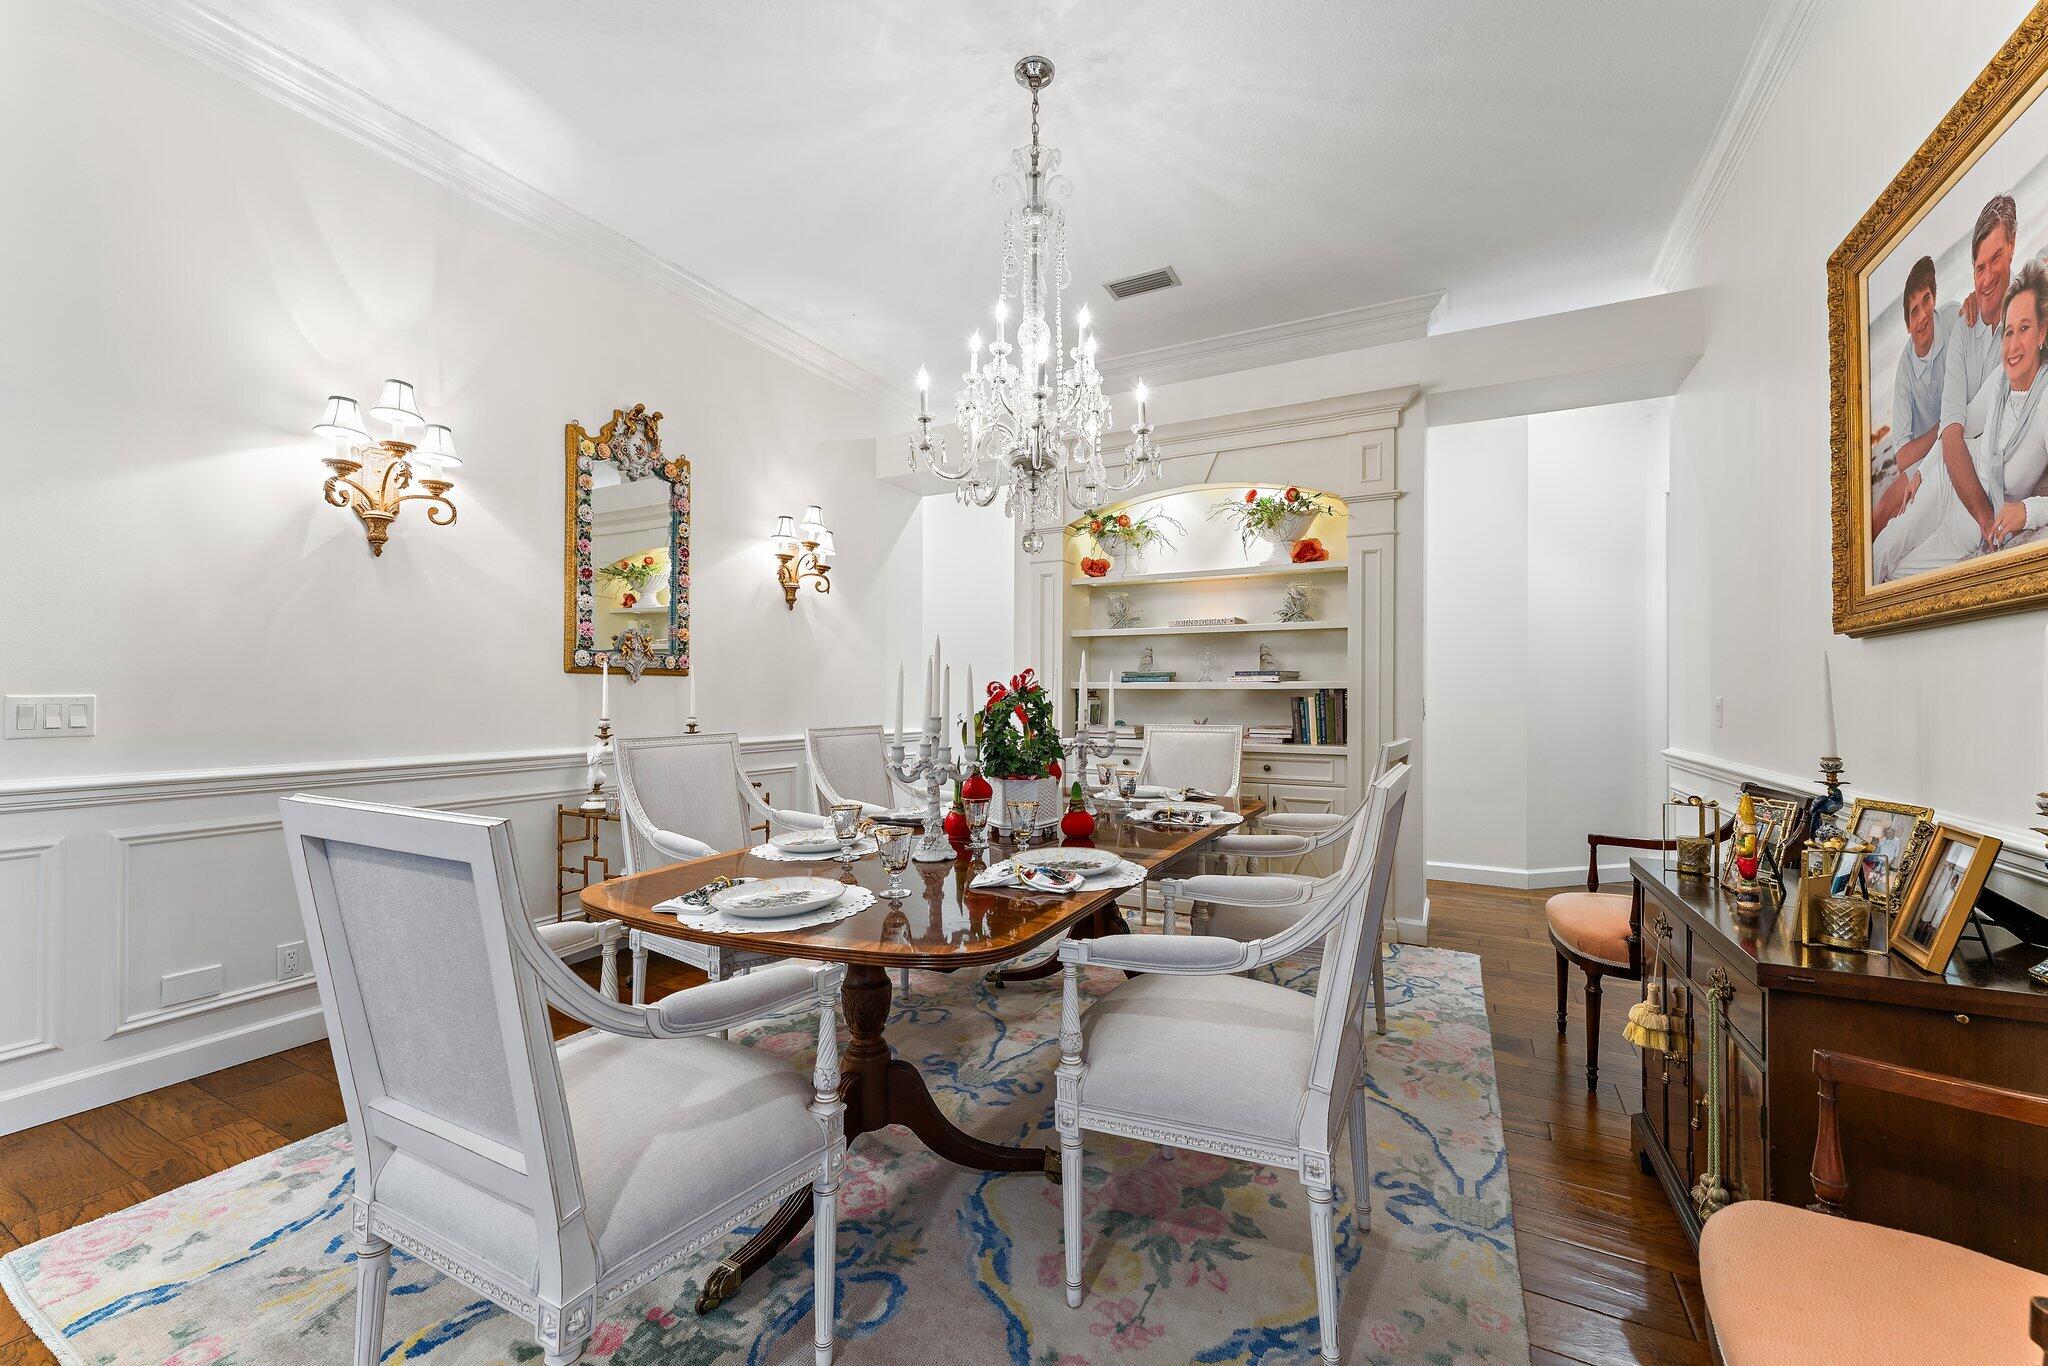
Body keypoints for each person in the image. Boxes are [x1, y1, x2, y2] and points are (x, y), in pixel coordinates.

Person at [1874, 261, 2048, 579]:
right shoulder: (2000, 378)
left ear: (2042, 332)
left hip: (1966, 527)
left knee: (1900, 580)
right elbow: (1959, 427)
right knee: (1886, 546)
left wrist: (2028, 511)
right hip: (1944, 477)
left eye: (2025, 328)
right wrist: (1922, 474)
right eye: (2009, 331)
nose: (2012, 344)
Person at [1932, 195, 2019, 548]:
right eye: (1978, 267)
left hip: (1987, 472)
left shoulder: (2028, 310)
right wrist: (1987, 520)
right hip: (1952, 463)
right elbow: (1951, 434)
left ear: (2012, 247)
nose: (1985, 278)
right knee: (1895, 535)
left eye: (1996, 258)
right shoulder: (1963, 329)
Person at [1872, 256, 1959, 537]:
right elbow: (1901, 458)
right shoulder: (1904, 372)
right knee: (1883, 507)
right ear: (1907, 325)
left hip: (1966, 430)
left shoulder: (1953, 318)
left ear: (1935, 297)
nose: (1922, 316)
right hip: (1926, 456)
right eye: (1913, 312)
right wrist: (1938, 431)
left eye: (1926, 301)